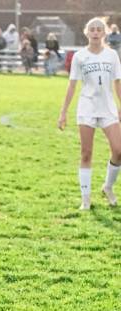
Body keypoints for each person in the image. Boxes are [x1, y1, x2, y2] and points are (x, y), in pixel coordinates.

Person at [58, 17, 121, 210]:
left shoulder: (112, 55)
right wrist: (63, 112)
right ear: (87, 32)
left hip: (108, 107)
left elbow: (117, 82)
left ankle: (107, 187)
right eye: (92, 29)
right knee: (86, 153)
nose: (95, 32)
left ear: (104, 33)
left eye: (99, 29)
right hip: (87, 107)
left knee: (119, 150)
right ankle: (85, 198)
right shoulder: (79, 56)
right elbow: (72, 85)